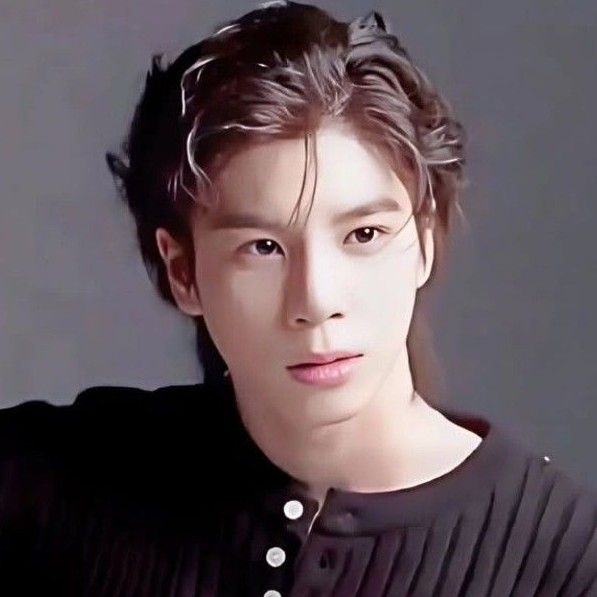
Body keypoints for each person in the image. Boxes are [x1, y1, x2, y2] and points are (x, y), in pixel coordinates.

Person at [1, 1, 596, 595]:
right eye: (263, 248)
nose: (315, 300)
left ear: (423, 241)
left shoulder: (564, 560)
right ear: (182, 271)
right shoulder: (58, 484)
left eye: (364, 235)